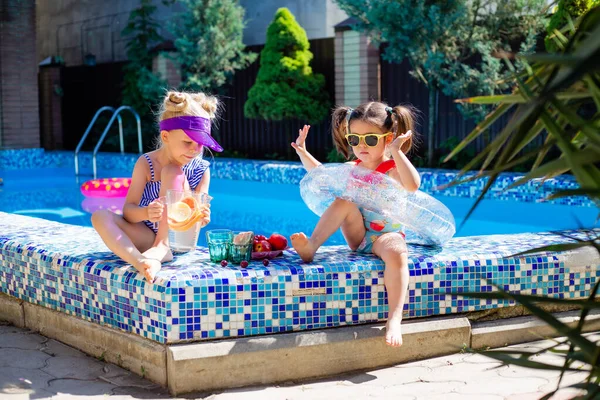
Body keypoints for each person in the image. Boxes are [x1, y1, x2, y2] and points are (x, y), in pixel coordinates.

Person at [290, 101, 420, 347]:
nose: (361, 146)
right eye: (354, 140)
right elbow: (322, 175)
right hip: (359, 234)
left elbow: (413, 186)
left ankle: (394, 318)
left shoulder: (392, 169)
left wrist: (398, 152)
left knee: (397, 253)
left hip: (386, 236)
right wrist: (302, 152)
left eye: (370, 140)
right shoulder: (352, 168)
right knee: (345, 200)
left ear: (387, 138)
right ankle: (311, 247)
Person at [91, 91, 223, 283]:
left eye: (200, 144)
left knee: (172, 171)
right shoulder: (146, 164)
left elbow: (194, 223)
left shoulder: (201, 169)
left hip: (178, 240)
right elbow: (128, 212)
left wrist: (201, 219)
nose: (195, 150)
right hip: (146, 239)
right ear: (166, 136)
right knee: (99, 216)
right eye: (187, 142)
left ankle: (163, 244)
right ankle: (140, 261)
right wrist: (146, 213)